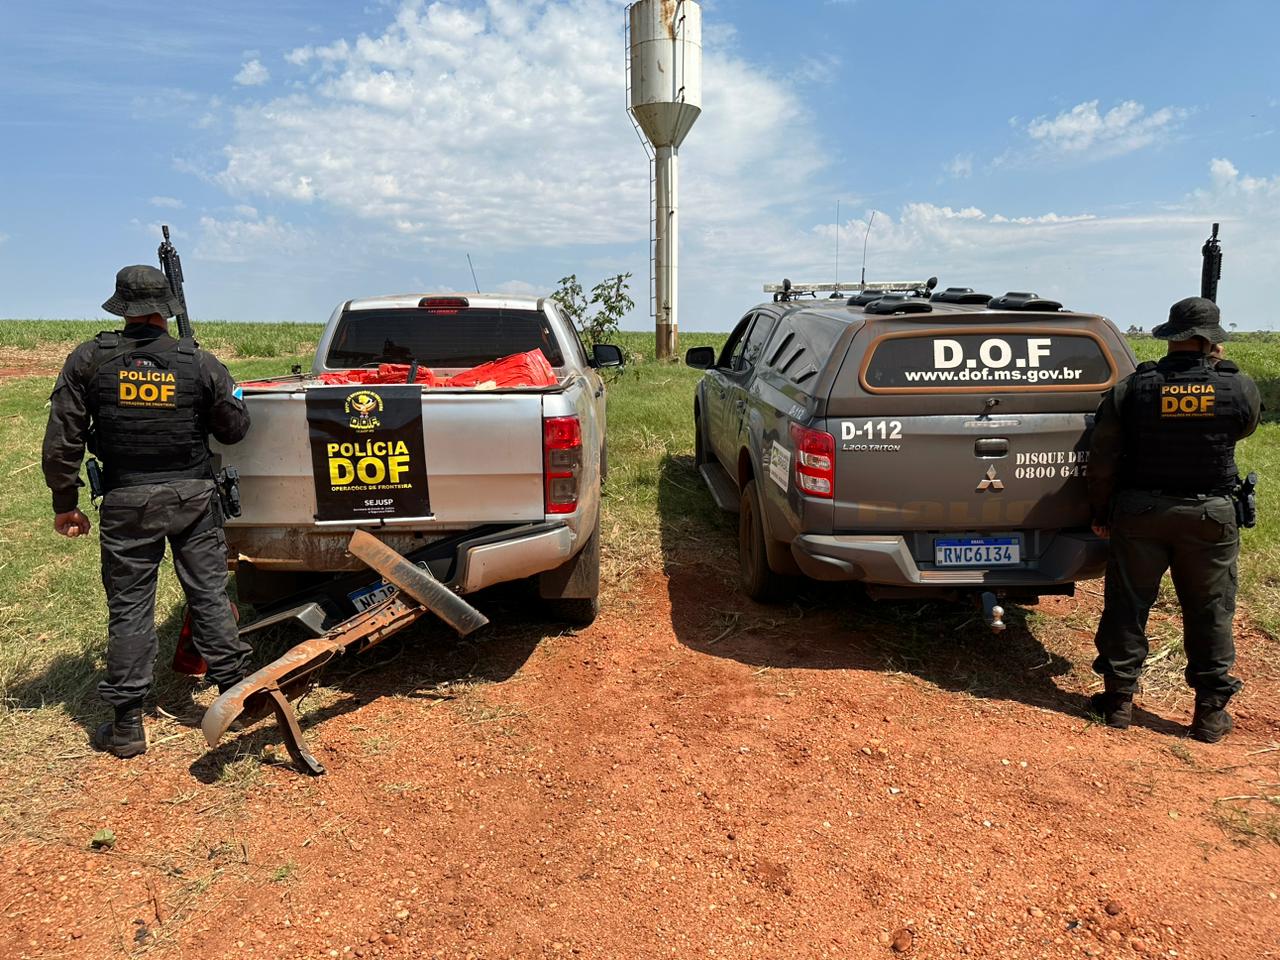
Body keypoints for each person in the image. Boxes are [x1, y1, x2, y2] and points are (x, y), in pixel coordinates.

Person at [41, 265, 252, 758]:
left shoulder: (89, 360)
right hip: (193, 499)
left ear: (121, 308)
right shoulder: (197, 361)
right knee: (208, 595)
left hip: (126, 502)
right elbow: (234, 431)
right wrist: (226, 391)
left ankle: (128, 724)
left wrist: (64, 504)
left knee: (130, 606)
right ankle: (235, 694)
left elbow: (63, 441)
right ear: (167, 309)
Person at [1087, 297, 1261, 743]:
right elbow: (1243, 427)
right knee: (1210, 611)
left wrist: (1101, 511)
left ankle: (1119, 702)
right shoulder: (1236, 385)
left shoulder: (1135, 387)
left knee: (1128, 605)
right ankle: (1208, 714)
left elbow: (1104, 455)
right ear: (1211, 341)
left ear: (1171, 337)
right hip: (1210, 514)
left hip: (1141, 511)